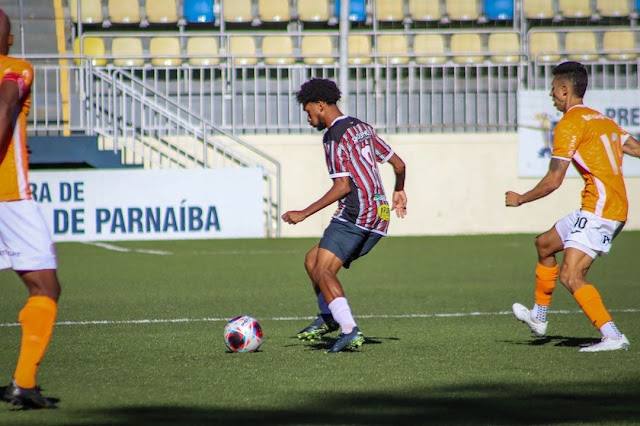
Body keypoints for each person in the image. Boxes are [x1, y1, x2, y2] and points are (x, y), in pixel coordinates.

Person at [506, 61, 640, 352]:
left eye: (553, 88)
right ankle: (539, 318)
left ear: (565, 90)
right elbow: (636, 148)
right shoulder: (601, 119)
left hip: (601, 210)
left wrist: (520, 199)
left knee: (571, 275)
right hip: (598, 206)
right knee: (544, 245)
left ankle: (613, 336)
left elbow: (553, 180)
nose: (550, 94)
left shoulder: (569, 123)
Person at [282, 78, 407, 353]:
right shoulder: (361, 127)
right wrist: (399, 190)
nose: (308, 118)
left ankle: (349, 329)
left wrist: (304, 213)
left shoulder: (333, 136)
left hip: (357, 210)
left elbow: (343, 186)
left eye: (308, 112)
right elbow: (399, 164)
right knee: (312, 259)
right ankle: (328, 316)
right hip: (380, 213)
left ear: (319, 105)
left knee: (323, 270)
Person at [0, 9, 60, 408]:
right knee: (44, 286)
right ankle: (24, 383)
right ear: (7, 38)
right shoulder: (15, 69)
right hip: (9, 198)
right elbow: (5, 108)